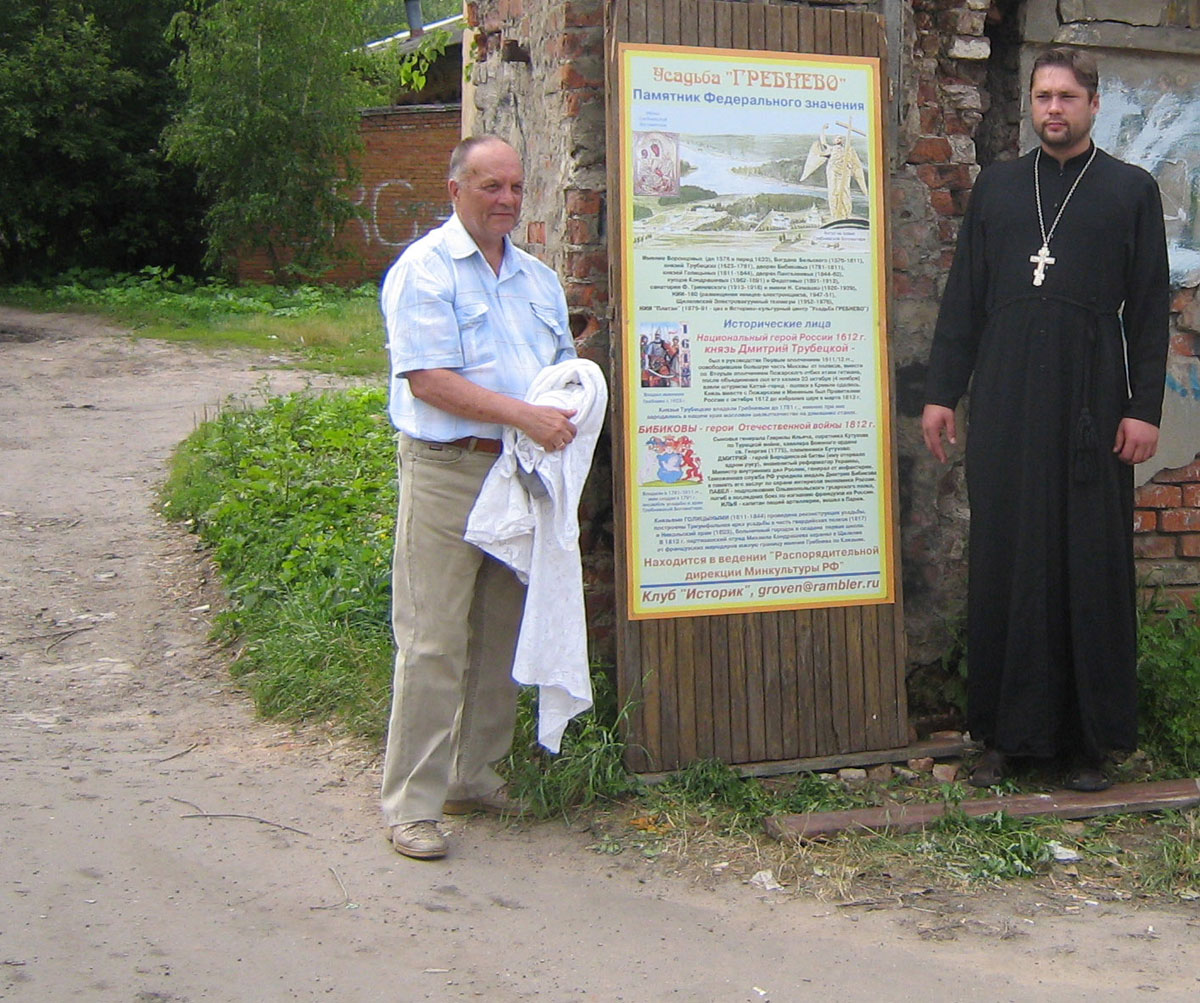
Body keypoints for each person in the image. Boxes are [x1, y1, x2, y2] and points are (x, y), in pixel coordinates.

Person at [921, 47, 1169, 792]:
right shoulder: (998, 188)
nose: (1052, 109)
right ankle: (1002, 735)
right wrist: (942, 391)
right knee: (1005, 558)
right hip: (1004, 400)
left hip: (1092, 402)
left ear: (1095, 105)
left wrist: (1144, 407)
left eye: (1066, 96)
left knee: (1085, 563)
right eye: (1041, 97)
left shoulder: (1130, 190)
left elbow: (1152, 308)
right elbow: (964, 297)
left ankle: (1086, 743)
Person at [379, 135, 578, 859]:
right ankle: (412, 803)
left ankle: (476, 773)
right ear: (455, 187)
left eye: (516, 188)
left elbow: (558, 372)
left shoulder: (536, 280)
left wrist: (573, 401)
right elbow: (428, 377)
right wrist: (524, 414)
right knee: (432, 638)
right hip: (447, 469)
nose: (507, 200)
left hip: (518, 473)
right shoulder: (426, 272)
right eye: (490, 185)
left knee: (499, 630)